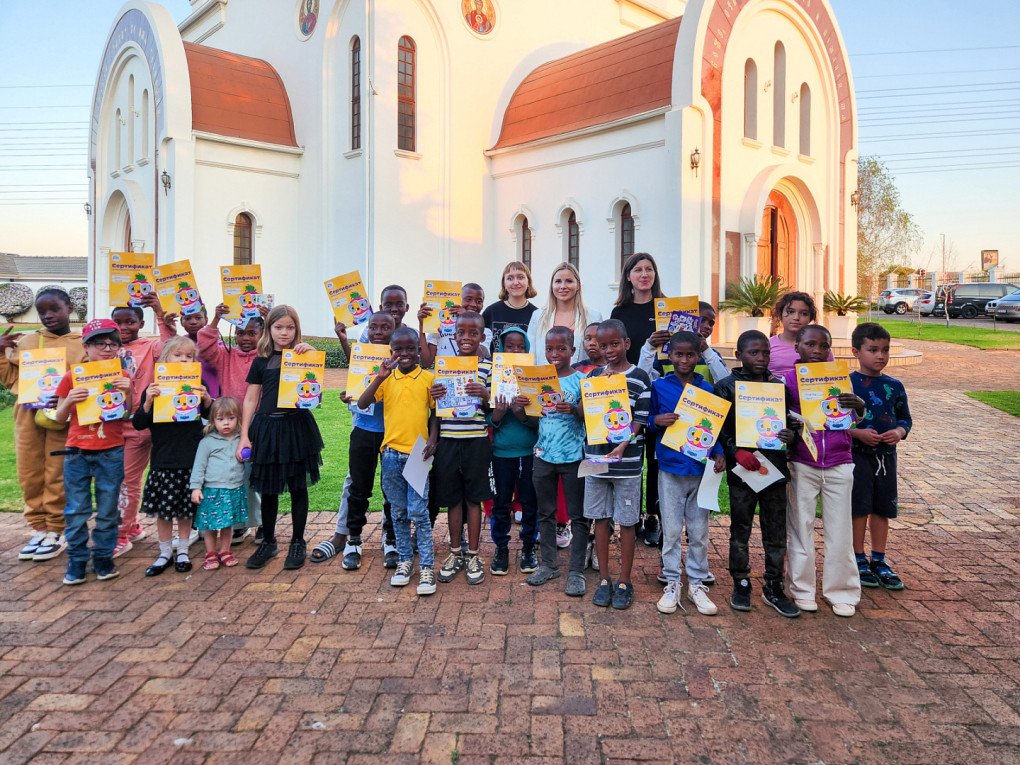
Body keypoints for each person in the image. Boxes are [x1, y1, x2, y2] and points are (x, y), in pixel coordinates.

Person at [713, 330, 800, 617]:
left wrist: (791, 434)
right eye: (754, 352)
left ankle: (773, 585)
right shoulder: (726, 387)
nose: (761, 358)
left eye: (765, 352)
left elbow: (788, 424)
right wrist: (734, 450)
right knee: (740, 528)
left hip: (773, 467)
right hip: (743, 469)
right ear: (739, 355)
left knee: (775, 530)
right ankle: (741, 580)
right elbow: (719, 426)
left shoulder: (778, 387)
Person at [783, 324, 865, 617]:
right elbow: (781, 418)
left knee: (840, 529)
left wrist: (859, 407)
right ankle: (801, 589)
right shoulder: (788, 381)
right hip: (802, 462)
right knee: (800, 527)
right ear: (797, 347)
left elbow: (851, 420)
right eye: (810, 345)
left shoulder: (840, 380)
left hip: (839, 461)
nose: (817, 351)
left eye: (823, 346)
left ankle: (841, 591)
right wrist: (792, 423)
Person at [0, 288, 86, 562]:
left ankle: (57, 530)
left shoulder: (82, 343)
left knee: (57, 470)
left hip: (61, 415)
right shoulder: (26, 342)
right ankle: (39, 528)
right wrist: (1, 352)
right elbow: (10, 378)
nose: (48, 315)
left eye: (54, 309)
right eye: (43, 311)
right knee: (30, 469)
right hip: (27, 413)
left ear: (69, 308)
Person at [239, 305, 324, 571]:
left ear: (296, 328)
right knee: (269, 488)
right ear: (269, 329)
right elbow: (252, 397)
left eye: (290, 327)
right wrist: (244, 436)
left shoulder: (303, 355)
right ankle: (269, 541)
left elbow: (313, 390)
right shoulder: (261, 359)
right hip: (266, 427)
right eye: (278, 327)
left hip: (296, 427)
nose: (284, 333)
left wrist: (309, 352)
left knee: (298, 487)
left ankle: (298, 541)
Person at [645, 331, 724, 615]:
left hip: (699, 469)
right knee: (671, 529)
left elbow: (713, 430)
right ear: (669, 355)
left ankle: (697, 583)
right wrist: (657, 421)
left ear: (698, 355)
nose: (684, 360)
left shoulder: (708, 390)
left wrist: (719, 453)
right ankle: (672, 581)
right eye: (678, 354)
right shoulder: (660, 387)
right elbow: (648, 422)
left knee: (700, 530)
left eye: (690, 354)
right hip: (670, 468)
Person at [311, 310, 397, 569]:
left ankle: (390, 538)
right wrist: (344, 344)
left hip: (394, 431)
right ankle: (353, 539)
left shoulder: (402, 355)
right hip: (364, 428)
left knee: (391, 487)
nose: (379, 332)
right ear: (368, 329)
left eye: (385, 328)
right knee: (359, 486)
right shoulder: (364, 350)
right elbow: (357, 372)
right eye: (374, 328)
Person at [357, 326, 439, 596]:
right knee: (399, 512)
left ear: (418, 351)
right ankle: (405, 561)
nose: (404, 354)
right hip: (390, 453)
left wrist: (433, 440)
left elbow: (435, 413)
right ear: (391, 352)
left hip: (418, 453)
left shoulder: (428, 378)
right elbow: (362, 402)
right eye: (398, 349)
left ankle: (426, 565)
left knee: (420, 512)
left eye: (409, 349)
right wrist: (379, 378)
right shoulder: (387, 379)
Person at [53, 318, 131, 585]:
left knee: (108, 510)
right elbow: (59, 418)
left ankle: (103, 558)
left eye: (113, 344)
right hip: (77, 452)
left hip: (111, 451)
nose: (107, 349)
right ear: (86, 346)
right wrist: (70, 401)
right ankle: (76, 561)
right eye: (100, 344)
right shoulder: (71, 377)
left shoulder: (122, 376)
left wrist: (128, 393)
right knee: (76, 510)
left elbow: (127, 413)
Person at [584, 319, 651, 610]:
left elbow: (641, 419)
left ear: (627, 343)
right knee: (599, 519)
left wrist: (625, 443)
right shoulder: (594, 377)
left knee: (627, 521)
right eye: (602, 345)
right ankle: (604, 579)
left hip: (627, 462)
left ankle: (625, 580)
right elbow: (588, 416)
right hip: (597, 460)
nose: (608, 350)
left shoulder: (640, 378)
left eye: (614, 344)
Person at [133, 336, 212, 576]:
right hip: (163, 458)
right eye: (178, 355)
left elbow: (211, 416)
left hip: (190, 456)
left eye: (189, 356)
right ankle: (165, 552)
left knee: (186, 509)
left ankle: (184, 550)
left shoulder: (197, 385)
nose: (184, 360)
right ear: (164, 359)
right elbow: (138, 423)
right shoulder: (153, 388)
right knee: (164, 511)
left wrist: (207, 399)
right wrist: (148, 402)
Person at [428, 311, 494, 586]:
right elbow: (435, 412)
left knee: (474, 499)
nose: (466, 337)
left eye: (473, 333)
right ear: (453, 335)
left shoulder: (487, 368)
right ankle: (455, 552)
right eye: (461, 332)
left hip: (477, 441)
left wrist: (485, 394)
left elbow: (493, 408)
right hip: (449, 441)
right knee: (453, 499)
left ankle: (474, 555)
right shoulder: (443, 368)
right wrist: (434, 436)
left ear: (482, 336)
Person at [524, 326, 588, 594]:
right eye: (550, 349)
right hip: (543, 456)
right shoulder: (538, 380)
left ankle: (576, 571)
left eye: (561, 348)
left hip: (573, 457)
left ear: (572, 350)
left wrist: (573, 410)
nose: (555, 354)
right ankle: (549, 564)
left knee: (578, 516)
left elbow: (590, 416)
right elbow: (530, 420)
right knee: (545, 513)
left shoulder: (581, 381)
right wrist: (520, 406)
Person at [849, 322, 911, 591]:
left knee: (881, 507)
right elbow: (834, 421)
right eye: (873, 349)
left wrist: (898, 432)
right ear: (856, 351)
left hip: (886, 457)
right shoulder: (846, 383)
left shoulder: (894, 386)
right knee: (859, 507)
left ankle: (879, 558)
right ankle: (857, 557)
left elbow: (905, 419)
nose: (880, 356)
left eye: (885, 350)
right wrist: (857, 433)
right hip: (857, 456)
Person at [111, 297, 174, 558]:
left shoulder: (149, 347)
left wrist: (159, 312)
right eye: (118, 322)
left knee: (128, 480)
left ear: (141, 323)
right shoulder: (108, 349)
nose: (123, 326)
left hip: (139, 424)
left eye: (130, 321)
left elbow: (171, 346)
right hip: (113, 423)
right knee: (116, 478)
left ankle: (121, 534)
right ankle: (133, 525)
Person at [197, 303, 265, 545]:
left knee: (259, 475)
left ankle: (261, 523)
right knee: (234, 474)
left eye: (251, 333)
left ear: (261, 334)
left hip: (260, 423)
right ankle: (238, 524)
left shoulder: (265, 356)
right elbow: (204, 346)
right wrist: (216, 318)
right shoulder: (226, 355)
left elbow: (285, 349)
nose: (245, 338)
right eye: (239, 332)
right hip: (231, 425)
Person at [611, 254, 665, 549]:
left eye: (649, 269)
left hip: (663, 390)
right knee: (632, 451)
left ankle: (653, 516)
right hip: (629, 390)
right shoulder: (620, 310)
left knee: (657, 454)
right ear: (628, 276)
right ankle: (631, 513)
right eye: (638, 270)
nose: (644, 274)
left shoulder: (667, 308)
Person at [487, 327, 539, 576]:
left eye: (520, 347)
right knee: (501, 502)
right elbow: (488, 419)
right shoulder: (492, 376)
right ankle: (501, 547)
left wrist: (521, 413)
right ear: (501, 348)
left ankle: (529, 547)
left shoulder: (533, 378)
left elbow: (540, 420)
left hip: (529, 451)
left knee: (530, 501)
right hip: (501, 452)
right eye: (510, 346)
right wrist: (498, 413)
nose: (515, 351)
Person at [190, 396, 248, 570]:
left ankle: (225, 550)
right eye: (220, 419)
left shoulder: (241, 439)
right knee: (210, 525)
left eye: (231, 418)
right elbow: (199, 466)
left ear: (238, 419)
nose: (226, 423)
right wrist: (196, 488)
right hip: (212, 490)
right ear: (212, 420)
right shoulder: (207, 442)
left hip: (234, 488)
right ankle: (210, 553)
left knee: (228, 524)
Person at [526, 263, 602, 366]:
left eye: (569, 281)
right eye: (558, 281)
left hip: (580, 380)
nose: (563, 286)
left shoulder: (593, 317)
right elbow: (531, 355)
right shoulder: (538, 316)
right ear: (552, 286)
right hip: (544, 380)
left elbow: (600, 356)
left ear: (578, 285)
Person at [418, 282, 492, 367]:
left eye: (479, 301)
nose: (473, 304)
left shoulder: (485, 331)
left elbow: (479, 357)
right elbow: (426, 363)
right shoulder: (439, 327)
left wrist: (466, 317)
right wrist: (422, 327)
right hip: (444, 376)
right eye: (468, 299)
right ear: (458, 300)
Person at [482, 261, 539, 355]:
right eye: (510, 278)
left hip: (526, 368)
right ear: (504, 284)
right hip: (495, 369)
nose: (515, 282)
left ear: (528, 282)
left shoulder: (537, 315)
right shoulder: (490, 312)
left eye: (521, 277)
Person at [769, 292, 831, 377]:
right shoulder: (768, 345)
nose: (796, 318)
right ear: (780, 315)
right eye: (790, 312)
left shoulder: (821, 347)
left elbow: (831, 374)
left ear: (810, 318)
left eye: (804, 314)